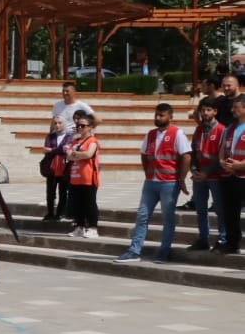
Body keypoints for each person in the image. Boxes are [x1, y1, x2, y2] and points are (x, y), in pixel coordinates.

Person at [116, 102, 192, 263]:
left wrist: (181, 178)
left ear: (170, 117)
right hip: (151, 182)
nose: (157, 118)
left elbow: (186, 156)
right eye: (156, 115)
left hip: (169, 183)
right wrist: (148, 172)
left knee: (168, 218)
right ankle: (134, 250)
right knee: (142, 216)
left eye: (161, 115)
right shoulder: (150, 134)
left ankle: (164, 251)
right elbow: (144, 154)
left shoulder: (177, 134)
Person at [188, 98, 225, 251]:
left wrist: (206, 172)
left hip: (215, 176)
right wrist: (194, 169)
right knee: (201, 210)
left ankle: (223, 238)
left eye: (208, 110)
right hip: (200, 177)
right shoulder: (198, 130)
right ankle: (203, 239)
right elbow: (194, 152)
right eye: (203, 110)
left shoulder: (222, 130)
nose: (205, 113)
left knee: (220, 209)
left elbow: (221, 156)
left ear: (215, 112)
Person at [63, 112, 101, 239]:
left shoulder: (92, 141)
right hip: (75, 177)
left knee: (89, 203)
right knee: (77, 204)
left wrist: (75, 154)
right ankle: (79, 227)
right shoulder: (76, 141)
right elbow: (68, 155)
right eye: (78, 125)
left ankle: (93, 228)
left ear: (90, 127)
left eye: (83, 126)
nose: (79, 128)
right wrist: (76, 154)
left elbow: (88, 154)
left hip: (88, 177)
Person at [219, 96, 245, 254]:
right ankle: (232, 242)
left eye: (236, 107)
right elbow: (222, 149)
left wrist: (240, 165)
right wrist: (222, 162)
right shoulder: (229, 128)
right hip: (230, 176)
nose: (232, 110)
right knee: (230, 211)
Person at [39, 118, 70, 221]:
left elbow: (66, 150)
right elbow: (46, 150)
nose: (57, 125)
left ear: (64, 124)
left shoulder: (69, 137)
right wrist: (60, 150)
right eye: (55, 123)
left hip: (64, 168)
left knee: (63, 191)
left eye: (60, 123)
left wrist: (52, 150)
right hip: (51, 168)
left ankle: (60, 213)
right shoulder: (50, 137)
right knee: (50, 192)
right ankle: (50, 213)